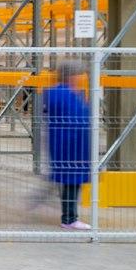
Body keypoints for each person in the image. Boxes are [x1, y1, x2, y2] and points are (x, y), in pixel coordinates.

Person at [43, 61, 91, 231]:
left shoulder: (64, 93)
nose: (80, 79)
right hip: (69, 147)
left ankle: (70, 216)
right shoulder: (64, 94)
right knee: (71, 182)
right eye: (78, 76)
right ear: (71, 76)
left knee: (71, 183)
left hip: (70, 146)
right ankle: (70, 218)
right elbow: (75, 120)